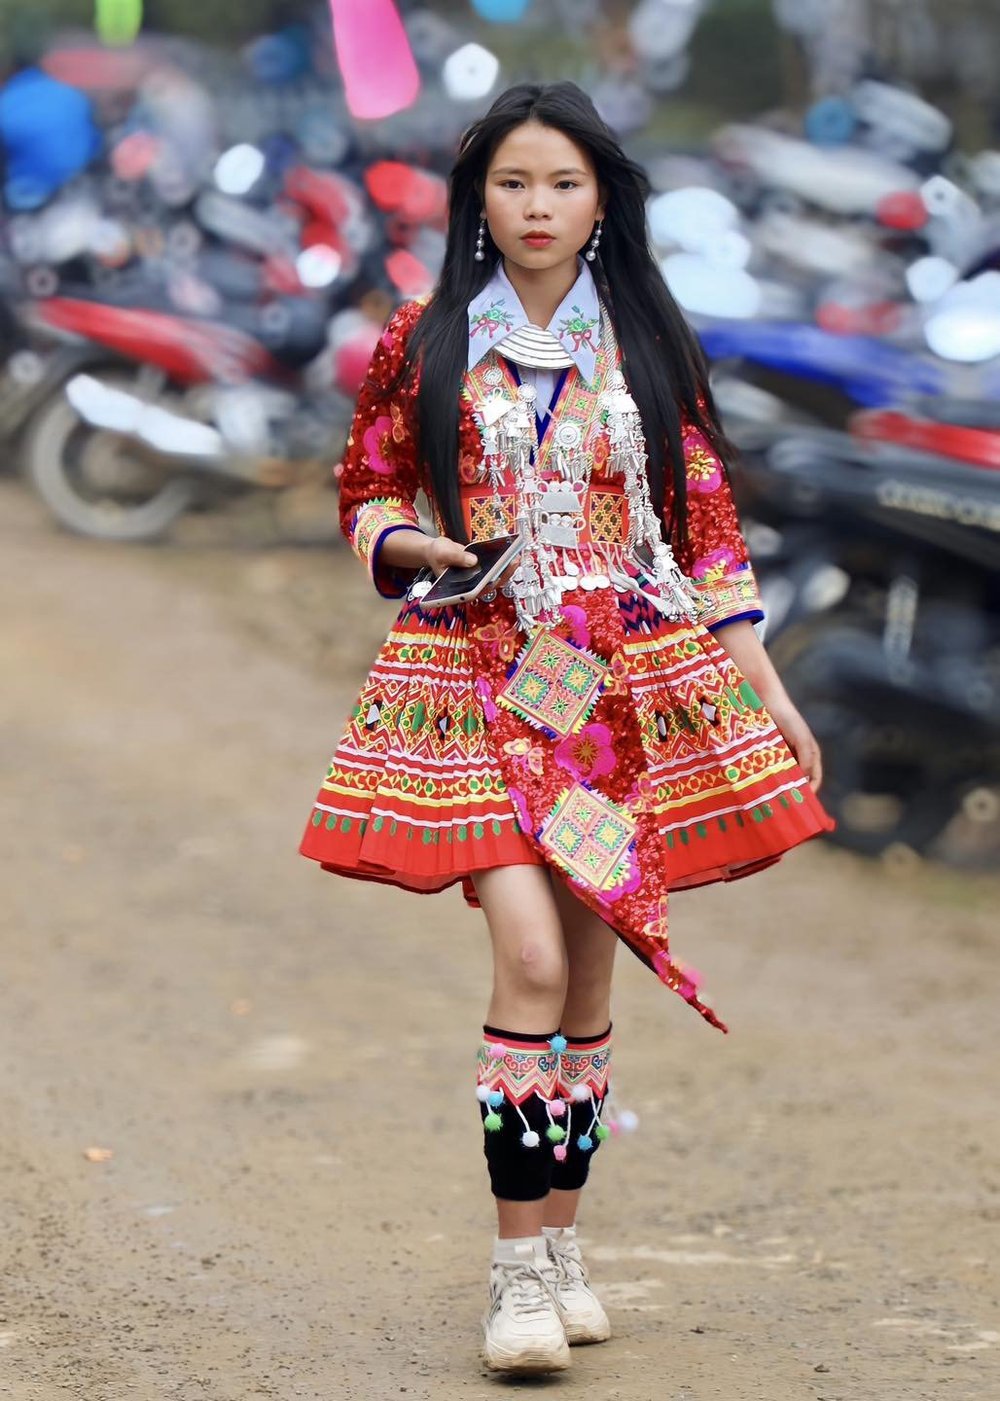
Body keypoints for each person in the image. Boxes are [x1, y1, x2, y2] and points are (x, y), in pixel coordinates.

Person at [299, 81, 833, 1375]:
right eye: (514, 183)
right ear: (477, 198)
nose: (538, 208)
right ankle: (511, 1273)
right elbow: (364, 487)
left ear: (603, 199)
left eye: (564, 184)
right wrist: (422, 542)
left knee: (590, 979)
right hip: (474, 680)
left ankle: (564, 1248)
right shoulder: (421, 341)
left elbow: (706, 535)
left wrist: (769, 691)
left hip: (616, 697)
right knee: (531, 960)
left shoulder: (647, 346)